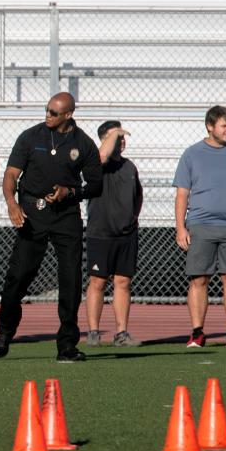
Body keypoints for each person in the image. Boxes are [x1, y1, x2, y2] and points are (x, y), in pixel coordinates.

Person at [0, 92, 102, 362]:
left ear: (68, 115)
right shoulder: (30, 136)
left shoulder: (83, 143)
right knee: (18, 276)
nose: (48, 115)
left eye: (54, 112)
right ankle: (5, 332)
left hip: (66, 215)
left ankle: (66, 345)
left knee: (70, 280)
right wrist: (11, 203)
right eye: (47, 110)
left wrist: (70, 193)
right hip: (32, 212)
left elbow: (95, 185)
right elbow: (11, 174)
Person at [174, 105, 226, 349]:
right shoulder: (191, 154)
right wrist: (181, 227)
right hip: (200, 225)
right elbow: (182, 194)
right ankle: (197, 333)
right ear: (210, 126)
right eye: (224, 125)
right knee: (199, 279)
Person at [84, 121, 143, 347]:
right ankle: (94, 332)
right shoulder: (95, 163)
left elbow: (137, 196)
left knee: (123, 282)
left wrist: (132, 218)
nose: (121, 140)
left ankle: (121, 333)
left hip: (126, 234)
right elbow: (101, 156)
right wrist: (114, 134)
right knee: (97, 282)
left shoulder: (129, 167)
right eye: (116, 137)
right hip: (101, 233)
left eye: (121, 137)